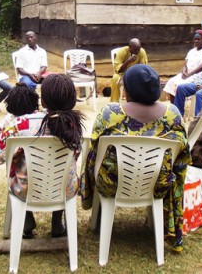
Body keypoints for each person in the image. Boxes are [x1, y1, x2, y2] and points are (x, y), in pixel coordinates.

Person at [81, 64, 190, 251]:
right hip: (157, 184)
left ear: (129, 89)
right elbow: (183, 155)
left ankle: (96, 212)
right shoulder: (173, 114)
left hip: (112, 184)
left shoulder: (111, 113)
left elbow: (96, 145)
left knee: (91, 154)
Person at [0, 74, 85, 238]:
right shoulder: (75, 127)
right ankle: (57, 223)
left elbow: (2, 151)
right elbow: (75, 157)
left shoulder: (21, 123)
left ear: (42, 101)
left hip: (26, 189)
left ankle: (27, 218)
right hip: (64, 189)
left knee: (21, 169)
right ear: (73, 100)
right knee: (61, 174)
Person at [164, 30, 202, 103]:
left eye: (198, 39)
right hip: (187, 74)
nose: (196, 41)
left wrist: (190, 74)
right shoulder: (192, 51)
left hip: (198, 76)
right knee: (171, 82)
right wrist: (184, 71)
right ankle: (174, 106)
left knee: (180, 85)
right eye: (195, 39)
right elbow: (185, 64)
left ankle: (179, 106)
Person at [0, 83, 40, 161]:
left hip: (19, 161)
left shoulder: (10, 119)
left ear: (9, 104)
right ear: (34, 102)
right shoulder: (40, 118)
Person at [110, 38, 148, 102]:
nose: (137, 52)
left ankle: (139, 102)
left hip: (136, 74)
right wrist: (128, 61)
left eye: (138, 49)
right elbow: (117, 70)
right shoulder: (122, 52)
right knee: (115, 78)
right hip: (122, 74)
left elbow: (144, 67)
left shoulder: (141, 51)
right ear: (129, 47)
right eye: (135, 50)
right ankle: (114, 102)